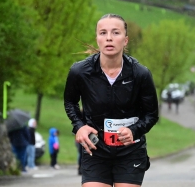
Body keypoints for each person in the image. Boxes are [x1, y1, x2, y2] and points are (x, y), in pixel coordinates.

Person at [64, 13, 159, 187]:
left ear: (125, 40)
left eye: (115, 33)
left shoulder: (140, 74)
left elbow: (151, 114)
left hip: (130, 150)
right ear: (97, 39)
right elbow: (70, 102)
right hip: (96, 149)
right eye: (103, 33)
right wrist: (79, 126)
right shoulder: (80, 72)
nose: (109, 38)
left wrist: (134, 131)